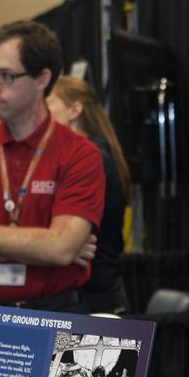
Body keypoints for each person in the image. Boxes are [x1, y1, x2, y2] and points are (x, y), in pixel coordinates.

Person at [0, 21, 104, 313]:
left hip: (59, 312)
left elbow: (61, 249)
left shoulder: (81, 154)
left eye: (6, 76)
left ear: (42, 79)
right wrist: (43, 248)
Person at [48, 76, 131, 313]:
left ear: (75, 110)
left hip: (96, 303)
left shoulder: (92, 158)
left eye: (47, 105)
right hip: (90, 299)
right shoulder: (84, 155)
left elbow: (62, 244)